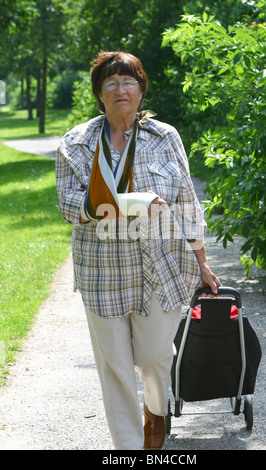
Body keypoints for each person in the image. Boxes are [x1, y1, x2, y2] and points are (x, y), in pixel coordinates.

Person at [55, 51, 221, 450]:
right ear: (99, 94)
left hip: (161, 265)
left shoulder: (165, 137)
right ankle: (130, 448)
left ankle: (155, 408)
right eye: (110, 83)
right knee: (114, 368)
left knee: (155, 357)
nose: (120, 90)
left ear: (141, 90)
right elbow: (67, 204)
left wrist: (202, 262)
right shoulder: (76, 143)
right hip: (102, 271)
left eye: (128, 81)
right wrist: (130, 203)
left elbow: (186, 202)